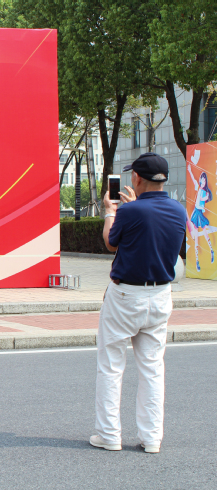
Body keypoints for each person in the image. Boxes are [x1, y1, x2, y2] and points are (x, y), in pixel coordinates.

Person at [91, 152, 186, 454]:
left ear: (136, 178)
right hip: (160, 295)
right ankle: (151, 438)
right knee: (152, 368)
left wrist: (111, 212)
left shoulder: (130, 211)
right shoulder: (179, 210)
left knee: (111, 366)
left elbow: (111, 243)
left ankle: (109, 435)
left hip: (125, 296)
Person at [187, 162, 214, 271]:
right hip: (195, 213)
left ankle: (211, 250)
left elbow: (203, 199)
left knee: (205, 232)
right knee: (196, 237)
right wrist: (189, 170)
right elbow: (194, 180)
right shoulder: (199, 187)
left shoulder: (205, 192)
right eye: (202, 180)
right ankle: (197, 261)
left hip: (199, 213)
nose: (203, 181)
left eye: (204, 180)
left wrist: (206, 196)